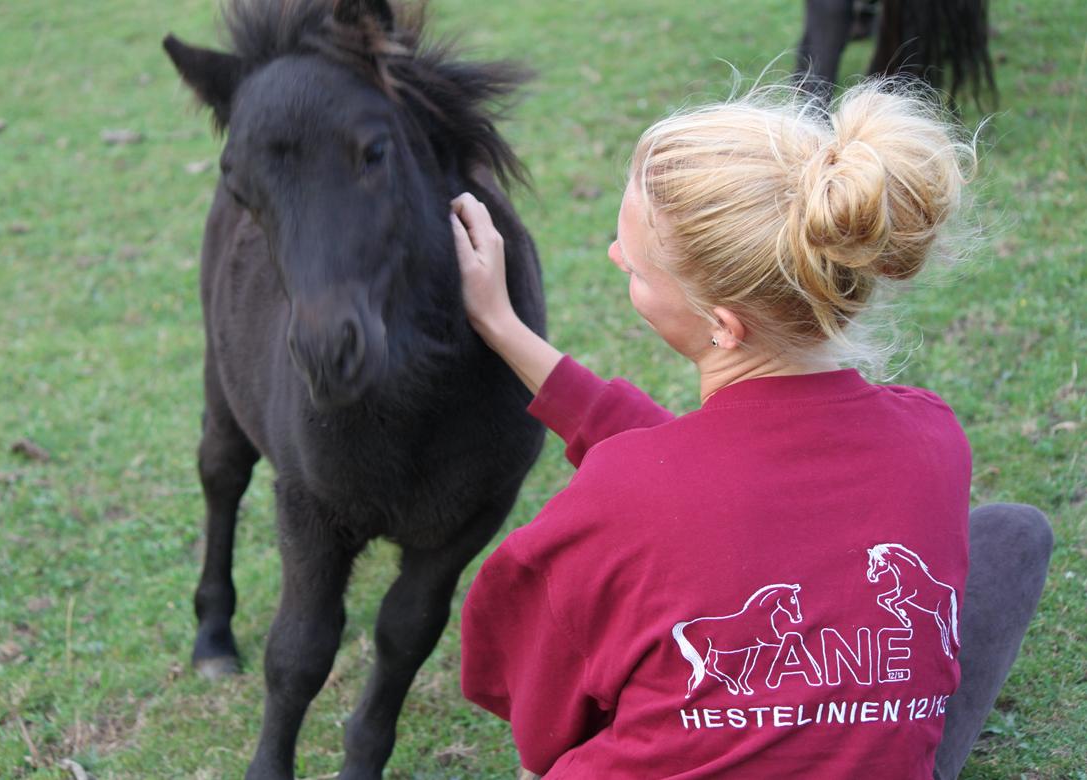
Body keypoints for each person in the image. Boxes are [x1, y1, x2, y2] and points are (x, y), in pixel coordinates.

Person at [448, 79, 1052, 779]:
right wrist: (503, 325)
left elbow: (535, 715)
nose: (614, 255)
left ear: (723, 326)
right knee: (1013, 533)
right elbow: (719, 476)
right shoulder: (933, 437)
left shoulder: (622, 497)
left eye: (636, 267)